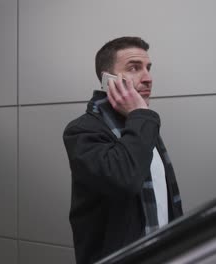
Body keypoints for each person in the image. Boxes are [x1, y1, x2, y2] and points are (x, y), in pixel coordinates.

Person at [63, 36, 183, 264]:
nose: (148, 78)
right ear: (108, 80)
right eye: (134, 68)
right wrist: (141, 115)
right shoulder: (82, 132)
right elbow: (125, 179)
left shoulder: (142, 127)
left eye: (148, 68)